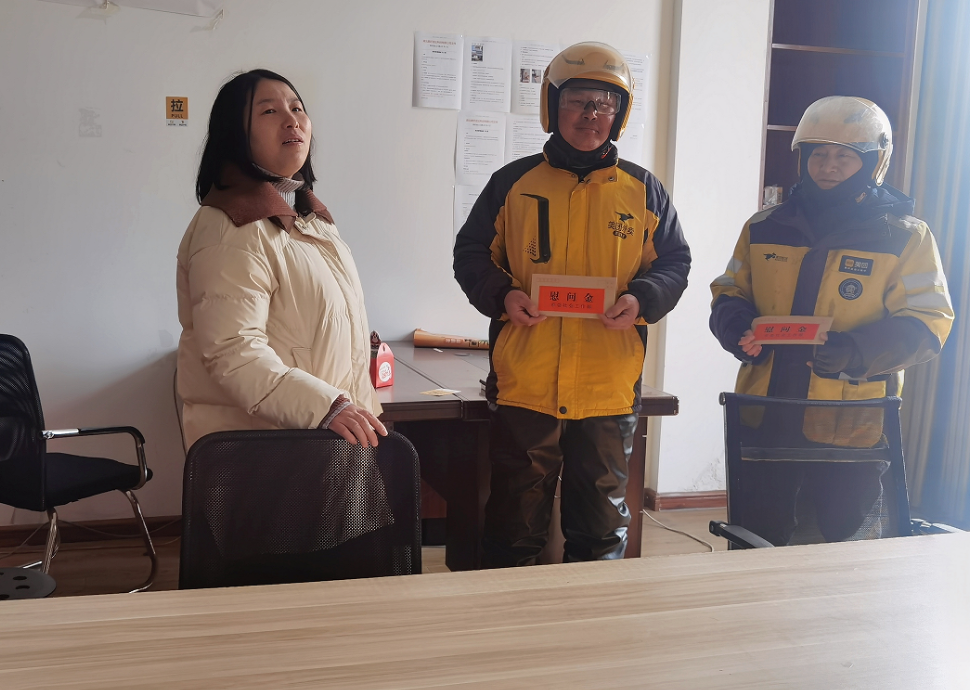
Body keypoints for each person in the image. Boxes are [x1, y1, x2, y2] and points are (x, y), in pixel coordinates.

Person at [453, 42, 691, 567]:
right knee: (514, 525)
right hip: (526, 381)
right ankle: (510, 614)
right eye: (577, 100)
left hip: (608, 385)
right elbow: (471, 254)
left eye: (605, 103)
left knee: (601, 529)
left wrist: (642, 298)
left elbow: (674, 263)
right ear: (551, 105)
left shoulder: (643, 191)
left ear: (620, 114)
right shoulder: (512, 183)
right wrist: (503, 295)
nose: (591, 114)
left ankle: (593, 617)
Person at [710, 96, 953, 545]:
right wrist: (735, 324)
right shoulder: (764, 226)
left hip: (849, 421)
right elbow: (730, 290)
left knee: (843, 546)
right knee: (755, 538)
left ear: (873, 162)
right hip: (767, 412)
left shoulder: (904, 236)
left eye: (845, 156)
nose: (828, 166)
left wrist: (855, 352)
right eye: (818, 154)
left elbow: (928, 321)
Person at [176, 69, 386, 451]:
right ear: (235, 133)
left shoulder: (311, 222)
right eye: (269, 111)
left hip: (319, 441)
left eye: (297, 108)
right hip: (266, 453)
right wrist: (326, 407)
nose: (292, 120)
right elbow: (233, 352)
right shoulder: (231, 227)